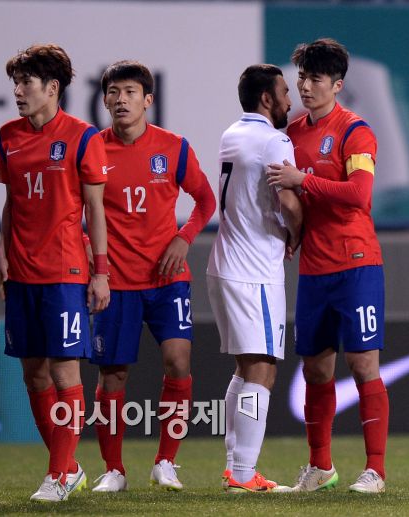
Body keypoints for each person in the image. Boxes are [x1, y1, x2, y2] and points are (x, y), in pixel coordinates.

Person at [267, 38, 388, 494]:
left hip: (357, 265)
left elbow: (359, 195)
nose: (305, 85)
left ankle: (374, 469)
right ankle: (321, 467)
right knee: (316, 370)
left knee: (363, 364)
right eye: (302, 77)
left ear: (337, 85)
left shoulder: (357, 131)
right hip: (315, 269)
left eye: (316, 78)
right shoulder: (293, 132)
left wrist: (304, 180)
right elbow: (290, 198)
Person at [90, 60, 216, 493]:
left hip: (167, 278)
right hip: (116, 282)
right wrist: (95, 265)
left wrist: (184, 238)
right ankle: (114, 469)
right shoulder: (92, 149)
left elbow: (204, 201)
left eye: (129, 92)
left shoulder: (174, 147)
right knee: (113, 376)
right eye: (113, 92)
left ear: (148, 99)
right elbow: (77, 212)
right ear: (104, 98)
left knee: (178, 360)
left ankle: (166, 461)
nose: (120, 100)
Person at [0, 44, 109, 502]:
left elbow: (95, 211)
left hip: (64, 272)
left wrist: (100, 272)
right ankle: (70, 467)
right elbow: (11, 202)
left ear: (53, 88)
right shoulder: (8, 135)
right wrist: (2, 259)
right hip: (21, 274)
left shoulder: (83, 137)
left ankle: (58, 474)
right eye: (16, 83)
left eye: (26, 83)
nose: (18, 92)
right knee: (33, 376)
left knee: (65, 374)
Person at [206, 65, 302, 493]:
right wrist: (296, 231)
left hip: (225, 263)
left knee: (245, 368)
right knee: (262, 368)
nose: (289, 100)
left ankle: (236, 470)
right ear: (267, 98)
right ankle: (243, 474)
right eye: (284, 92)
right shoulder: (274, 139)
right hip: (254, 272)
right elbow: (288, 199)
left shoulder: (232, 133)